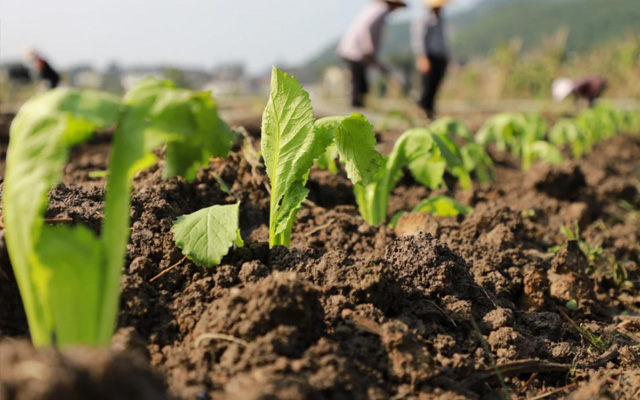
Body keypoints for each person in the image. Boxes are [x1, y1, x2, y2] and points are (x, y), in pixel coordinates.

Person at [337, 0, 407, 108]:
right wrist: (369, 49)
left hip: (354, 49)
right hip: (355, 50)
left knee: (360, 82)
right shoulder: (381, 10)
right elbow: (368, 28)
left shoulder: (374, 8)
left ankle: (357, 106)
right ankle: (356, 110)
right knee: (359, 84)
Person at [412, 0, 450, 119]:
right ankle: (423, 111)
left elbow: (443, 41)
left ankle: (430, 110)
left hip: (439, 57)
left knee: (435, 85)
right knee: (427, 85)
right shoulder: (424, 19)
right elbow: (419, 39)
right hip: (429, 57)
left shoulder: (440, 19)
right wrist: (423, 57)